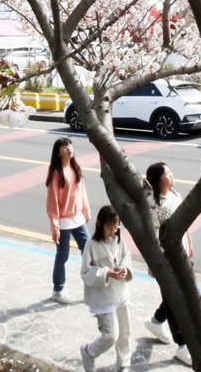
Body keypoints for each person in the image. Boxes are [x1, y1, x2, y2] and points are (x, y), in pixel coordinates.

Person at [144, 161, 193, 366]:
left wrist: (190, 243)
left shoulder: (175, 195)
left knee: (180, 294)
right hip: (166, 259)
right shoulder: (154, 204)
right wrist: (152, 262)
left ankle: (156, 321)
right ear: (158, 180)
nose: (171, 175)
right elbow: (151, 236)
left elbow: (185, 223)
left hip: (182, 254)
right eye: (167, 173)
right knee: (174, 300)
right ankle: (181, 346)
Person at [79, 205, 134, 372]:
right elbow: (85, 272)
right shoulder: (91, 244)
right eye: (110, 227)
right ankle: (89, 352)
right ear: (100, 224)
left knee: (125, 332)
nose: (113, 230)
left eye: (116, 227)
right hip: (103, 298)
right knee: (111, 335)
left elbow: (126, 256)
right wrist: (107, 273)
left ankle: (123, 363)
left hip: (120, 293)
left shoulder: (118, 239)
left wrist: (124, 268)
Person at [46, 136, 91, 303]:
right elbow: (52, 202)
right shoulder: (57, 173)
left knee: (88, 251)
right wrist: (55, 226)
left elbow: (82, 192)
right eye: (64, 146)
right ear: (58, 153)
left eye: (70, 145)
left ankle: (92, 286)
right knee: (62, 256)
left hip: (78, 218)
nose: (69, 148)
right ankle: (58, 290)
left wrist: (86, 210)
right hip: (63, 221)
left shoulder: (75, 167)